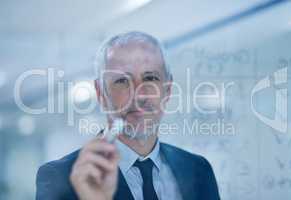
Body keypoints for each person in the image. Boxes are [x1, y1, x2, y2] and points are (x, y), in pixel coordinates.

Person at [36, 31, 221, 200]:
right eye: (122, 81)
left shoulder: (198, 169)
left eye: (150, 78)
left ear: (168, 90)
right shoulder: (59, 177)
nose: (139, 94)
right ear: (101, 93)